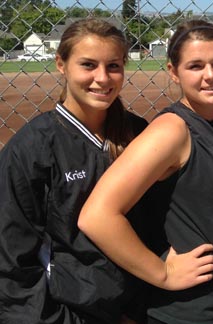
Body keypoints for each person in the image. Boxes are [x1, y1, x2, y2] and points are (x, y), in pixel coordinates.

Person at [78, 19, 213, 324]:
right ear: (174, 72)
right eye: (195, 66)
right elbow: (96, 216)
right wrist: (163, 273)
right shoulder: (172, 130)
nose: (210, 75)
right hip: (189, 311)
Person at [0, 18, 150, 323]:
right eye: (88, 65)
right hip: (70, 312)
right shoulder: (32, 149)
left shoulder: (139, 134)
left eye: (113, 66)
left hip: (139, 307)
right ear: (61, 64)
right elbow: (13, 265)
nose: (102, 78)